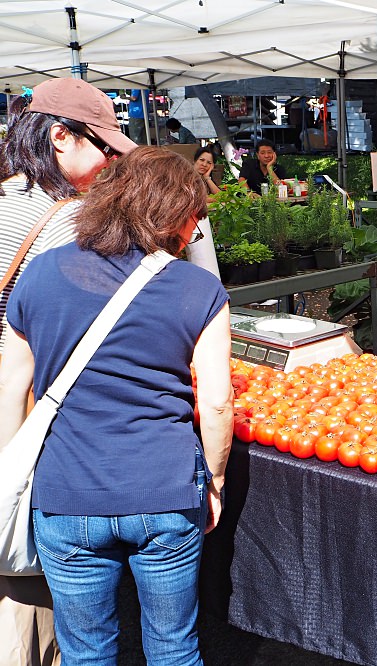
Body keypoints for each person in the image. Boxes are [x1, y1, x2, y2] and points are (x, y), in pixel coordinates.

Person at [0, 146, 233, 665]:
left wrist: (15, 471)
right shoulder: (199, 287)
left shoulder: (39, 274)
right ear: (175, 215)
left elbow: (12, 388)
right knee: (174, 648)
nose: (195, 230)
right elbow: (216, 404)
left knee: (85, 653)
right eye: (194, 217)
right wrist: (213, 482)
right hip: (166, 491)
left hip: (66, 494)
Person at [0, 77, 136, 666]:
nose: (111, 161)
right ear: (61, 137)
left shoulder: (4, 198)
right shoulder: (71, 223)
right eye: (104, 147)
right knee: (29, 593)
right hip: (27, 414)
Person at [189, 146, 222, 278]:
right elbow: (198, 198)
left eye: (209, 162)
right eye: (202, 160)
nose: (204, 164)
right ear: (195, 161)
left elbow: (220, 196)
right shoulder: (187, 176)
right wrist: (214, 199)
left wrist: (208, 177)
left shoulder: (202, 178)